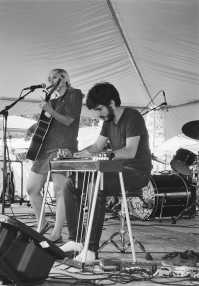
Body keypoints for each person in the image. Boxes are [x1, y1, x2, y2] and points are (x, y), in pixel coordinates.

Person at [60, 82, 152, 261]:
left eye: (99, 109)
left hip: (137, 171)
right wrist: (74, 154)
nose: (97, 114)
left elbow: (129, 151)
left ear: (111, 103)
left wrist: (101, 155)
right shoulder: (108, 121)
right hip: (117, 169)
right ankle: (77, 239)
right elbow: (96, 146)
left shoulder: (132, 116)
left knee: (96, 185)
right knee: (70, 183)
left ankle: (91, 250)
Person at [24, 68, 83, 242]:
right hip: (45, 148)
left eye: (55, 76)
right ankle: (42, 226)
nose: (50, 79)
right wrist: (32, 128)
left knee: (59, 190)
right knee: (31, 189)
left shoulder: (74, 95)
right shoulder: (53, 100)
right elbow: (47, 122)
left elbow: (68, 120)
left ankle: (56, 233)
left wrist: (49, 107)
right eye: (49, 77)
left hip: (63, 147)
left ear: (64, 78)